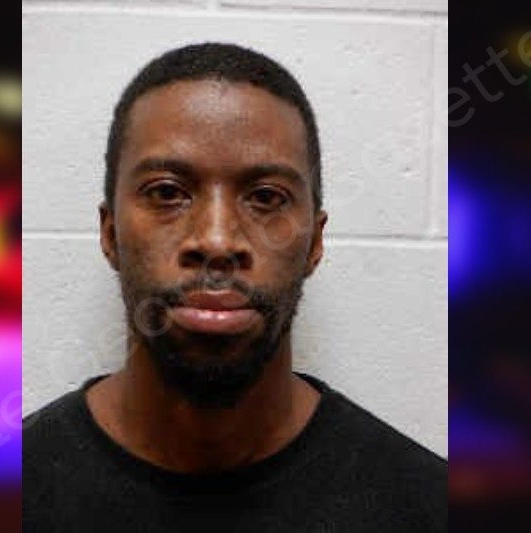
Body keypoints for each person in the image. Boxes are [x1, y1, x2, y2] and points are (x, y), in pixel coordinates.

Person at [23, 42, 446, 532]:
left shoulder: (428, 506)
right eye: (167, 192)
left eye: (266, 197)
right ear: (110, 233)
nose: (218, 241)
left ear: (314, 242)